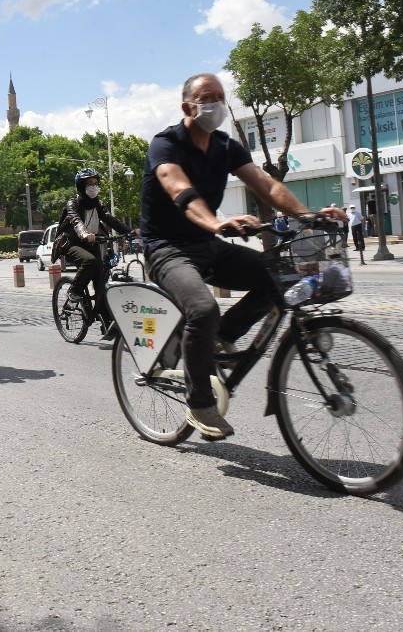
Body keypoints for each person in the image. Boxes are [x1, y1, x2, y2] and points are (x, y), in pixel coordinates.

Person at [140, 73, 346, 441]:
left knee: (277, 281)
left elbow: (266, 184)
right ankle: (199, 400)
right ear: (188, 106)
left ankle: (218, 338)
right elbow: (178, 188)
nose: (217, 104)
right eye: (208, 97)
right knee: (202, 309)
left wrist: (307, 214)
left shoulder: (225, 146)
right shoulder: (165, 144)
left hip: (208, 243)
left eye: (221, 96)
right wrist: (216, 222)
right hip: (166, 248)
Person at [56, 167, 133, 330]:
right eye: (89, 183)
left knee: (101, 282)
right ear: (81, 186)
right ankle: (74, 292)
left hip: (92, 243)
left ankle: (107, 323)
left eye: (96, 183)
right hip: (72, 244)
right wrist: (84, 233)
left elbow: (110, 219)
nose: (94, 186)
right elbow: (76, 220)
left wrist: (131, 232)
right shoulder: (73, 203)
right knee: (90, 262)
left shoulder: (98, 204)